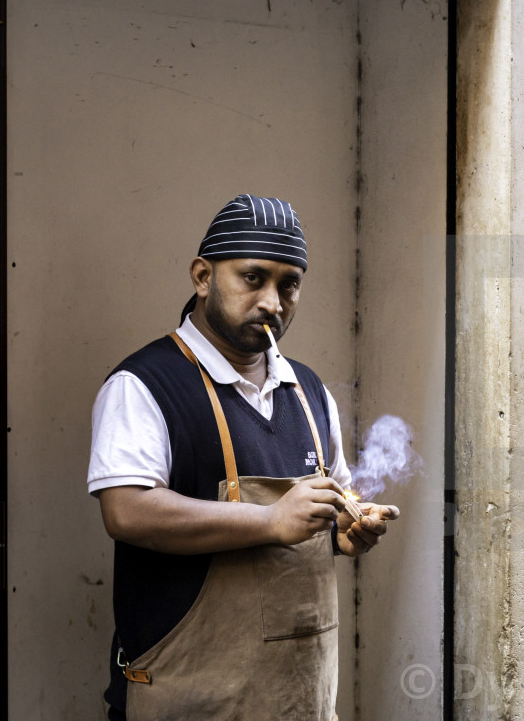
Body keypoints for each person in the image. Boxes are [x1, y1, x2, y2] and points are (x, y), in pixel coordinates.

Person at [87, 195, 398, 720]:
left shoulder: (309, 390)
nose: (273, 303)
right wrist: (271, 519)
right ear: (203, 276)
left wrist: (344, 533)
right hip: (191, 700)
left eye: (289, 284)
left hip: (301, 700)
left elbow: (331, 508)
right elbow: (126, 511)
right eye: (253, 278)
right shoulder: (143, 384)